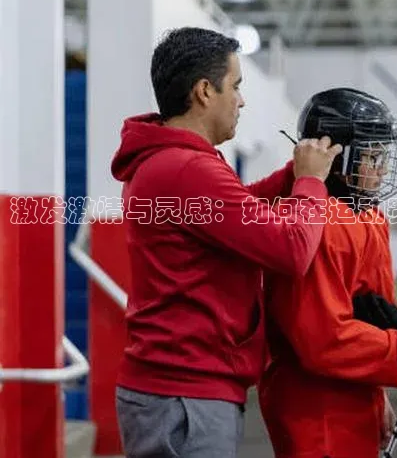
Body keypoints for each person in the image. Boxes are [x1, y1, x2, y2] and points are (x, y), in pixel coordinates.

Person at [109, 26, 342, 458]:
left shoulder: (167, 162)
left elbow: (234, 210)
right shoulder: (186, 170)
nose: (241, 99)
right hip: (185, 399)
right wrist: (310, 183)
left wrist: (291, 175)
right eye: (235, 85)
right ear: (204, 91)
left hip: (175, 393)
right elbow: (292, 251)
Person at [257, 87, 397, 458]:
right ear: (337, 158)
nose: (382, 169)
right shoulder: (316, 224)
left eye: (384, 155)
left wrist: (377, 390)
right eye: (373, 156)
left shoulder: (370, 218)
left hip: (354, 400)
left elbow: (368, 315)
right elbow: (322, 341)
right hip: (317, 411)